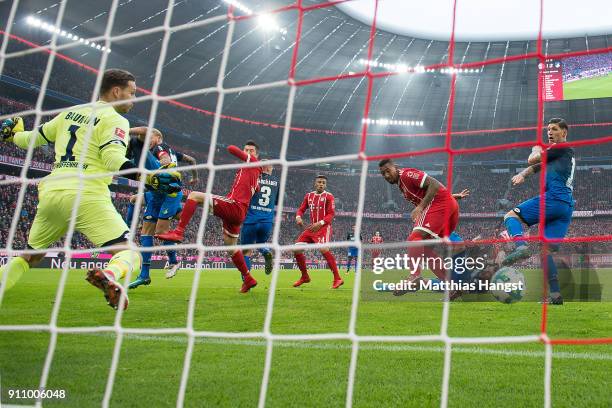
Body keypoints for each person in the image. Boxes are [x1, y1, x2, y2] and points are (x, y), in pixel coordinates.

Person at [0, 69, 179, 310]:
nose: (133, 100)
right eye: (132, 93)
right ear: (116, 91)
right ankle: (110, 275)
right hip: (86, 194)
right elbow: (113, 158)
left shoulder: (68, 114)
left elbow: (30, 139)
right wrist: (148, 178)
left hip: (52, 194)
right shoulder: (115, 119)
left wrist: (13, 135)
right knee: (130, 254)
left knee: (29, 256)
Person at [156, 141, 262, 293]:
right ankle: (248, 278)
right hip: (239, 213)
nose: (248, 152)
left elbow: (230, 148)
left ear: (256, 155)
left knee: (194, 196)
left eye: (251, 150)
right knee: (231, 247)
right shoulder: (253, 173)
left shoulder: (252, 162)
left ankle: (178, 232)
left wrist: (244, 153)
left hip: (234, 205)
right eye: (246, 150)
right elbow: (256, 189)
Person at [502, 118, 575, 305]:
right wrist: (522, 175)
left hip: (554, 199)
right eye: (548, 129)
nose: (549, 132)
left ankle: (521, 247)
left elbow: (533, 159)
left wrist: (535, 148)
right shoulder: (559, 154)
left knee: (511, 216)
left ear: (564, 133)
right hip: (566, 206)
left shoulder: (560, 148)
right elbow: (536, 166)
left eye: (554, 129)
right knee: (546, 251)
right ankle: (556, 295)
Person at [128, 127, 198, 288]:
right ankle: (144, 275)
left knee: (160, 233)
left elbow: (165, 159)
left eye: (150, 137)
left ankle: (174, 261)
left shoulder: (160, 147)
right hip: (155, 194)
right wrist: (194, 177)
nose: (147, 140)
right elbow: (192, 160)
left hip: (169, 194)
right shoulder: (172, 152)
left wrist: (165, 168)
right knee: (145, 233)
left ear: (158, 137)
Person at [378, 159, 459, 295]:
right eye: (383, 174)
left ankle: (414, 276)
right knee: (425, 250)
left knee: (414, 238)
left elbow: (433, 184)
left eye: (388, 171)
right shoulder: (401, 186)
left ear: (395, 167)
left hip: (440, 203)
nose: (386, 175)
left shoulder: (406, 175)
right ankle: (452, 286)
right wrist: (450, 198)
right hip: (448, 206)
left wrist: (420, 207)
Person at [292, 175, 343, 289]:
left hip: (323, 227)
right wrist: (298, 217)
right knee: (296, 249)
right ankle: (305, 276)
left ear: (326, 185)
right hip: (311, 228)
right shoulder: (309, 196)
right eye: (319, 182)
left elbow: (331, 214)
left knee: (323, 248)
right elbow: (301, 209)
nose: (321, 184)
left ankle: (337, 278)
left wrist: (319, 223)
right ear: (315, 183)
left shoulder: (329, 197)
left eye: (323, 183)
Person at [239, 162, 278, 276]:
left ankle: (246, 280)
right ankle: (265, 251)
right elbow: (276, 200)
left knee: (246, 251)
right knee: (261, 243)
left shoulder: (253, 178)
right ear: (269, 168)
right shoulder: (277, 182)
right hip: (267, 221)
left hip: (251, 219)